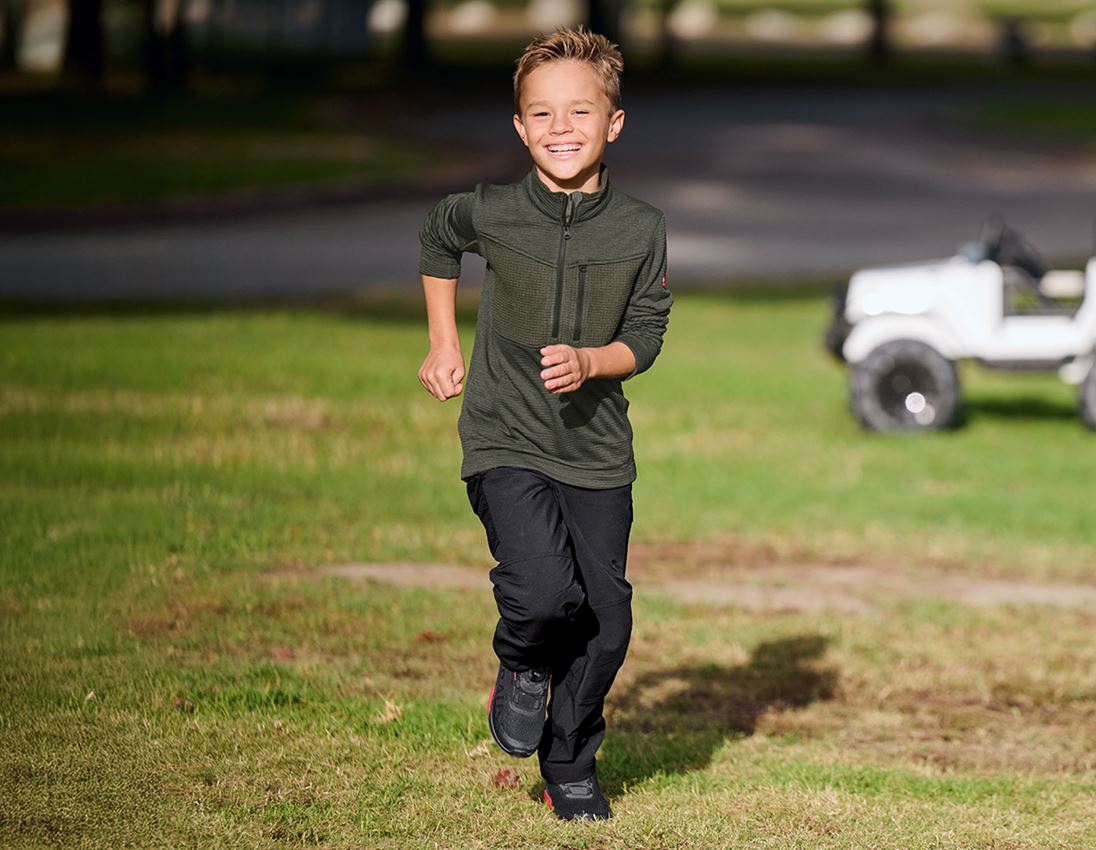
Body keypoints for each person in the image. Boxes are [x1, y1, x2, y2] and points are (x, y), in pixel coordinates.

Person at [416, 26, 672, 822]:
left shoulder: (640, 228)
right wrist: (443, 343)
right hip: (505, 437)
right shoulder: (491, 211)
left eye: (581, 112)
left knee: (608, 619)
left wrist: (595, 363)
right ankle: (522, 663)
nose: (562, 128)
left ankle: (570, 764)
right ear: (520, 127)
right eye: (543, 114)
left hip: (596, 454)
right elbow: (438, 237)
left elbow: (649, 332)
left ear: (614, 123)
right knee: (541, 597)